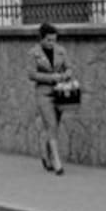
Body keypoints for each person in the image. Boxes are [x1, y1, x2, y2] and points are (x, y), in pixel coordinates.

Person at [27, 22, 76, 176]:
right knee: (51, 124)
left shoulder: (61, 51)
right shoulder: (33, 53)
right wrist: (51, 77)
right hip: (43, 93)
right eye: (48, 40)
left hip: (59, 92)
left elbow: (69, 67)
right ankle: (56, 161)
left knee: (54, 126)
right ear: (41, 39)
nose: (51, 43)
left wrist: (67, 74)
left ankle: (46, 156)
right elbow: (31, 74)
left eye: (54, 40)